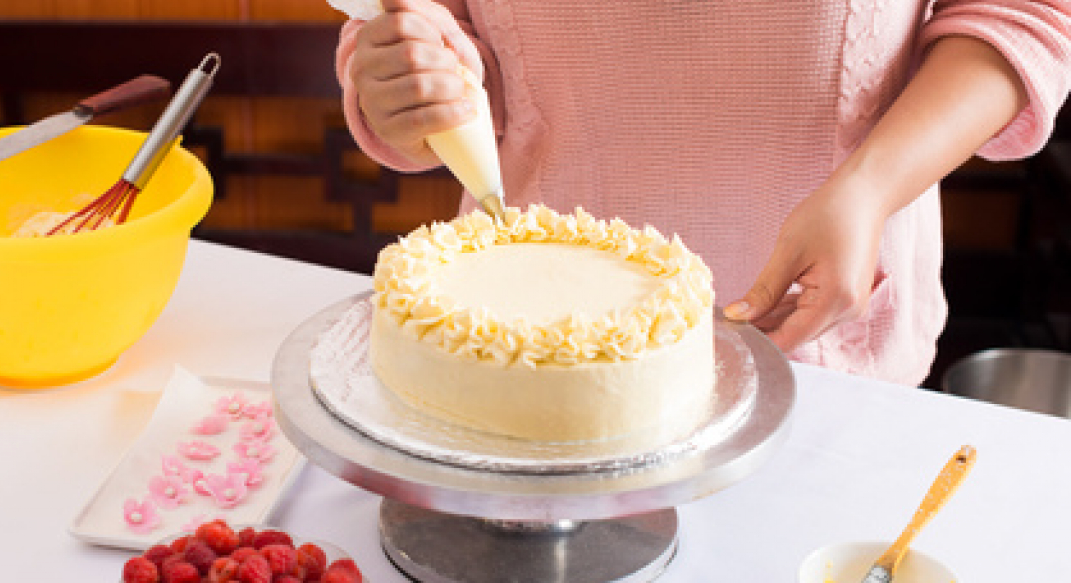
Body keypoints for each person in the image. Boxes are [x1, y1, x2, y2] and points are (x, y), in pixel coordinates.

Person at [335, 0, 1071, 385]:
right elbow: (427, 20)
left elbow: (1025, 14)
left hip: (825, 363)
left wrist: (871, 187)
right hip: (522, 358)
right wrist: (411, 82)